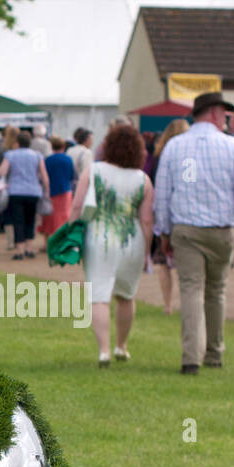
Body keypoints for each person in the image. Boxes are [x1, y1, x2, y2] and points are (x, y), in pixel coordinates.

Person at [153, 91, 234, 374]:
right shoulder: (232, 148)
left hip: (186, 229)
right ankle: (214, 353)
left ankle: (191, 357)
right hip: (221, 229)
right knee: (216, 291)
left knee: (191, 290)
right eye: (225, 115)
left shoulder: (175, 146)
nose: (226, 120)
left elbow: (163, 195)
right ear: (215, 113)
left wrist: (164, 233)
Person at [69, 125, 153, 366]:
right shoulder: (143, 180)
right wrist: (146, 249)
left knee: (99, 296)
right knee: (126, 295)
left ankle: (104, 350)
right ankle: (121, 346)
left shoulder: (93, 171)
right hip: (132, 239)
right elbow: (147, 219)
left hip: (99, 238)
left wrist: (70, 231)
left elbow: (76, 206)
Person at [146, 119, 189, 316]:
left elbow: (155, 185)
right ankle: (187, 303)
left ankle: (168, 305)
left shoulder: (158, 155)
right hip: (184, 213)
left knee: (163, 263)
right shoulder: (190, 156)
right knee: (185, 264)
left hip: (162, 211)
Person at [0, 129, 49, 259]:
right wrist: (47, 191)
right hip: (33, 191)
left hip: (16, 191)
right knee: (30, 220)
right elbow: (44, 176)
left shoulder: (11, 155)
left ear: (17, 142)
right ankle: (29, 248)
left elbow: (2, 171)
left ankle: (19, 250)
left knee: (18, 220)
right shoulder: (37, 155)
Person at [40, 135, 76, 237]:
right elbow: (72, 175)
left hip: (50, 191)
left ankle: (47, 243)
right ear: (64, 146)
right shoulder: (68, 159)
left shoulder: (47, 160)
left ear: (51, 147)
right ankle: (62, 239)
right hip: (65, 190)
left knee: (49, 217)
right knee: (64, 216)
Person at [0, 125, 20, 248]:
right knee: (19, 214)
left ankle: (10, 241)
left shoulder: (2, 149)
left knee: (8, 214)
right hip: (20, 185)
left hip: (6, 185)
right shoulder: (21, 149)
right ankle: (20, 240)